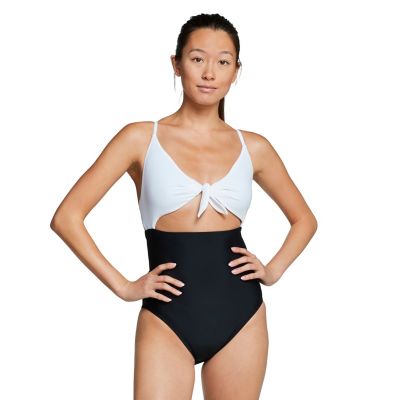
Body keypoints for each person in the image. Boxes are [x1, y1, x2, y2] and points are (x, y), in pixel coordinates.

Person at [50, 12, 318, 400]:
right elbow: (67, 217)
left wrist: (273, 270)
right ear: (176, 64)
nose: (209, 73)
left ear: (236, 71)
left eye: (223, 61)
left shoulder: (254, 147)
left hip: (241, 314)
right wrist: (124, 286)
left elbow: (304, 220)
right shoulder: (139, 138)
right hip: (167, 317)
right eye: (197, 59)